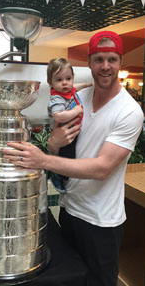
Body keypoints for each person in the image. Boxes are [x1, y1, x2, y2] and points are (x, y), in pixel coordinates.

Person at [3, 31, 144, 286]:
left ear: (120, 62)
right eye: (98, 59)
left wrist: (43, 159)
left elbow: (102, 168)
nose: (105, 66)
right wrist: (53, 146)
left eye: (111, 59)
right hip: (69, 211)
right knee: (71, 280)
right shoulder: (78, 98)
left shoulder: (129, 111)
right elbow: (63, 148)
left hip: (102, 222)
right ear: (89, 63)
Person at [47, 58, 92, 193]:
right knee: (68, 157)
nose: (65, 83)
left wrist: (86, 85)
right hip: (63, 132)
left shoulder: (68, 90)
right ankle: (59, 177)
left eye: (68, 78)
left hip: (71, 130)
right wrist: (76, 111)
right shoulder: (57, 98)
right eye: (59, 80)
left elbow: (75, 87)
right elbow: (58, 116)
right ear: (51, 83)